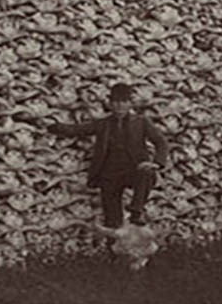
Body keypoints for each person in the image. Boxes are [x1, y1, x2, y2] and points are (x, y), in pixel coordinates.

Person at [48, 83, 168, 228]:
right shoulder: (103, 124)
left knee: (147, 172)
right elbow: (78, 129)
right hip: (110, 174)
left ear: (130, 103)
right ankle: (115, 247)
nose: (119, 106)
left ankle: (137, 210)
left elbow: (160, 141)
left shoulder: (142, 122)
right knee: (112, 219)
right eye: (116, 102)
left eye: (124, 102)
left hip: (133, 169)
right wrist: (53, 126)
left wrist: (157, 162)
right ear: (110, 104)